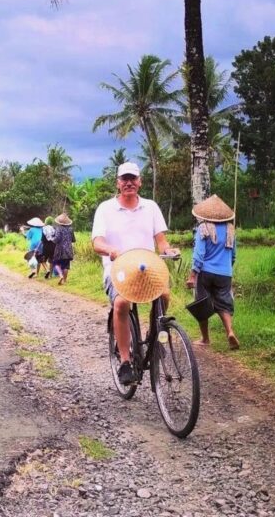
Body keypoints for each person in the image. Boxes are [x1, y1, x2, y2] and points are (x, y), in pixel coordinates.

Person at [91, 162, 180, 385]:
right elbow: (97, 242)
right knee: (122, 304)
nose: (129, 182)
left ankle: (154, 335)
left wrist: (169, 250)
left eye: (133, 178)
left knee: (165, 296)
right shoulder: (105, 209)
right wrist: (110, 249)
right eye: (124, 179)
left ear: (140, 182)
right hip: (118, 269)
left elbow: (161, 241)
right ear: (118, 183)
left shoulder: (150, 207)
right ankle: (124, 361)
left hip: (147, 268)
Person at [185, 194, 240, 350]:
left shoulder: (203, 228)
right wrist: (227, 268)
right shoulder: (231, 230)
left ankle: (205, 339)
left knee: (202, 304)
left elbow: (199, 254)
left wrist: (192, 275)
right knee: (224, 303)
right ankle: (229, 331)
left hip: (205, 272)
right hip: (225, 273)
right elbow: (234, 254)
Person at [52, 213, 75, 285]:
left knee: (56, 263)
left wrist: (52, 239)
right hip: (68, 249)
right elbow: (73, 239)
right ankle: (64, 281)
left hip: (60, 249)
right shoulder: (71, 229)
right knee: (66, 266)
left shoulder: (59, 228)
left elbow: (56, 239)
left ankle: (61, 275)